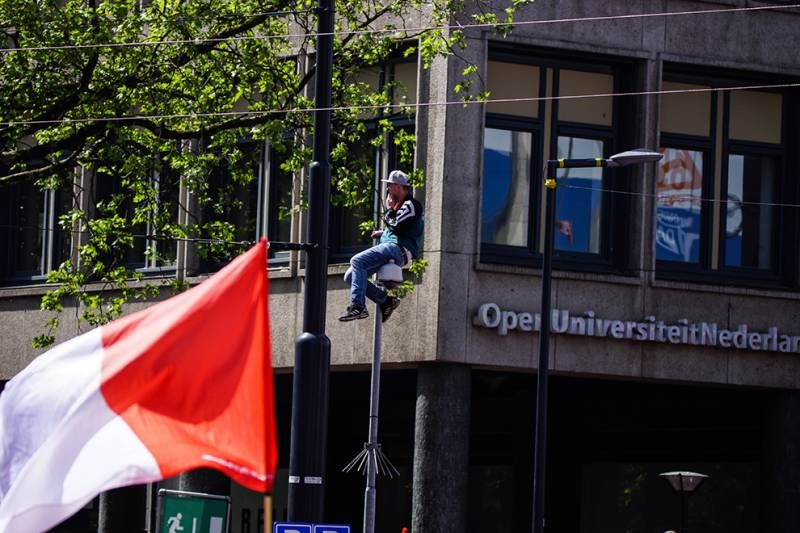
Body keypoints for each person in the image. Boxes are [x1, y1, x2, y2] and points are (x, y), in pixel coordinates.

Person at [339, 170, 424, 323]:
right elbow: (398, 227)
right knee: (350, 276)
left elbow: (397, 224)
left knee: (357, 261)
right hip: (393, 247)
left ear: (399, 186)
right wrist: (382, 233)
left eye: (390, 185)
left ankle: (358, 306)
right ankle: (385, 301)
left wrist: (389, 210)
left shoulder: (411, 205)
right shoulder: (401, 206)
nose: (388, 189)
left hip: (398, 250)